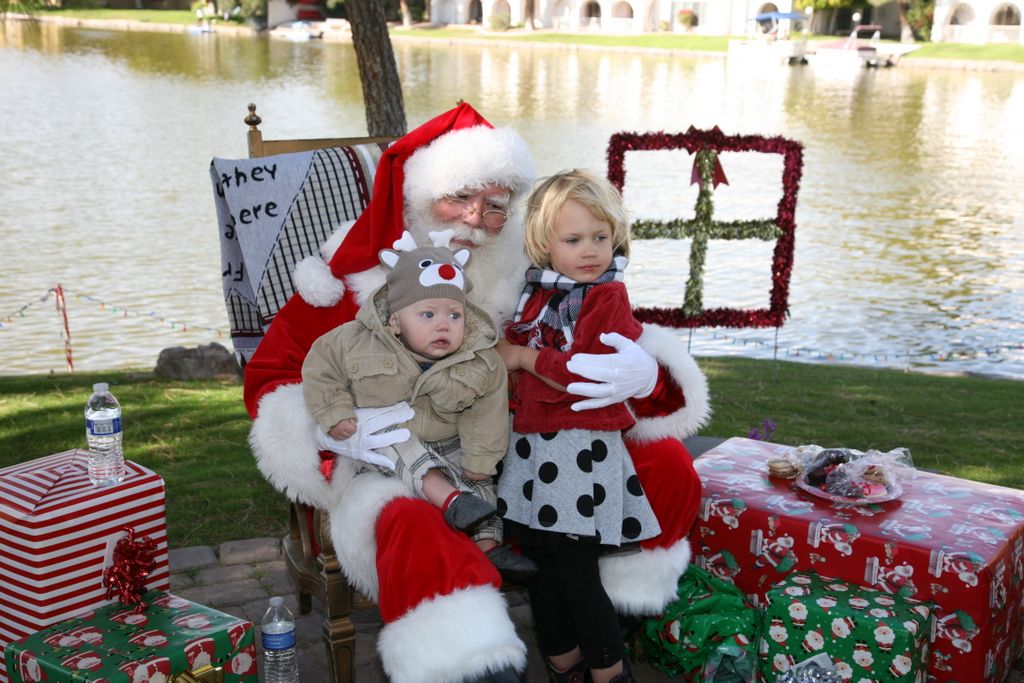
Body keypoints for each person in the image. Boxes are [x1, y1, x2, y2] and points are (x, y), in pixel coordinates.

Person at [243, 102, 708, 683]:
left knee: (663, 461)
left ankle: (603, 622)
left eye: (495, 204)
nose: (475, 217)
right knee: (412, 521)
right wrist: (332, 429)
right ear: (418, 196)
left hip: (533, 442)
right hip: (403, 458)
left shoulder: (536, 261)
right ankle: (470, 663)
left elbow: (607, 341)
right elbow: (275, 374)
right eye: (458, 197)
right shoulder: (352, 274)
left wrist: (648, 375)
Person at [496, 169, 655, 682]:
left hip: (578, 454)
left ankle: (610, 672)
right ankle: (564, 662)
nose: (590, 251)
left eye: (600, 238)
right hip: (534, 451)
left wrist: (521, 357)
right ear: (544, 243)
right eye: (573, 239)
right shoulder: (537, 293)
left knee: (576, 574)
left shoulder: (606, 297)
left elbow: (585, 371)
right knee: (541, 567)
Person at [301, 235, 535, 578]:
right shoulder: (353, 341)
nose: (443, 324)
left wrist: (479, 461)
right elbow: (319, 369)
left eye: (454, 315)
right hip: (384, 454)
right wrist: (335, 413)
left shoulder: (480, 360)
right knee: (391, 434)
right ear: (395, 321)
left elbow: (487, 414)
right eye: (427, 314)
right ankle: (448, 498)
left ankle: (488, 545)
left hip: (447, 443)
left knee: (480, 481)